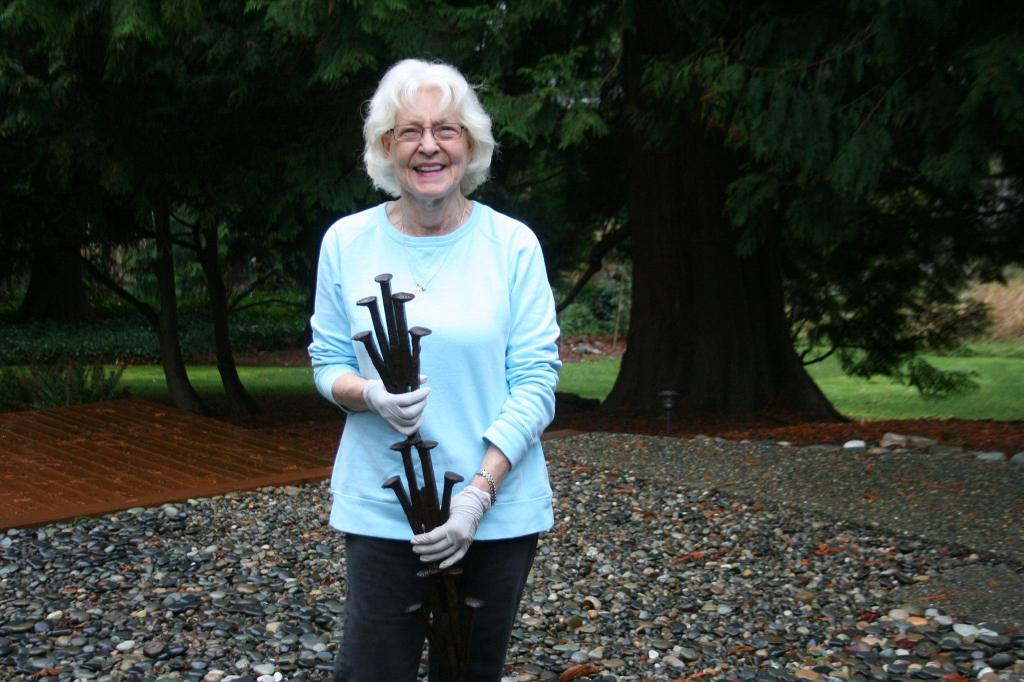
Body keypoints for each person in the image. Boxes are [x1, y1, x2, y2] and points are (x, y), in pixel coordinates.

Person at [308, 58, 562, 681]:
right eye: (408, 131)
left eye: (445, 130)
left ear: (468, 145)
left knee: (469, 670)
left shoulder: (512, 246)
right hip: (382, 503)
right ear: (385, 147)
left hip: (495, 511)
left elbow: (536, 379)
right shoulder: (347, 242)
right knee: (372, 671)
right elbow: (326, 361)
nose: (428, 146)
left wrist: (479, 494)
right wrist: (367, 393)